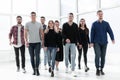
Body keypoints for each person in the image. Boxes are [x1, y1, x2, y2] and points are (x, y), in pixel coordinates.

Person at [90, 10, 115, 76]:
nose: (100, 15)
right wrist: (91, 42)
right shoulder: (94, 24)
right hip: (96, 42)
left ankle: (102, 69)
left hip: (104, 42)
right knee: (98, 55)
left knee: (103, 56)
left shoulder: (106, 23)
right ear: (97, 15)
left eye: (101, 14)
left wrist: (112, 38)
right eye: (99, 14)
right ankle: (97, 69)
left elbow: (110, 31)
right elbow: (92, 34)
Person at [24, 12, 44, 76]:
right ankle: (33, 70)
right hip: (30, 43)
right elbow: (25, 34)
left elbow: (42, 33)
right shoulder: (27, 24)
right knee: (32, 57)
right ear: (30, 16)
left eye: (34, 15)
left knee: (37, 56)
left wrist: (43, 42)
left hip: (38, 42)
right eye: (32, 15)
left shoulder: (39, 24)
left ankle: (37, 69)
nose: (33, 16)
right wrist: (26, 41)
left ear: (36, 16)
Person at [62, 13, 79, 77]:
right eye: (69, 16)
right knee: (66, 55)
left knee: (73, 55)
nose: (70, 17)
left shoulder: (75, 25)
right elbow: (62, 33)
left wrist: (77, 42)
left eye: (71, 16)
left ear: (73, 17)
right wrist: (66, 39)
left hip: (73, 43)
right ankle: (66, 66)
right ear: (67, 17)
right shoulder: (64, 25)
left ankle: (73, 70)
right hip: (66, 43)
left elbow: (77, 34)